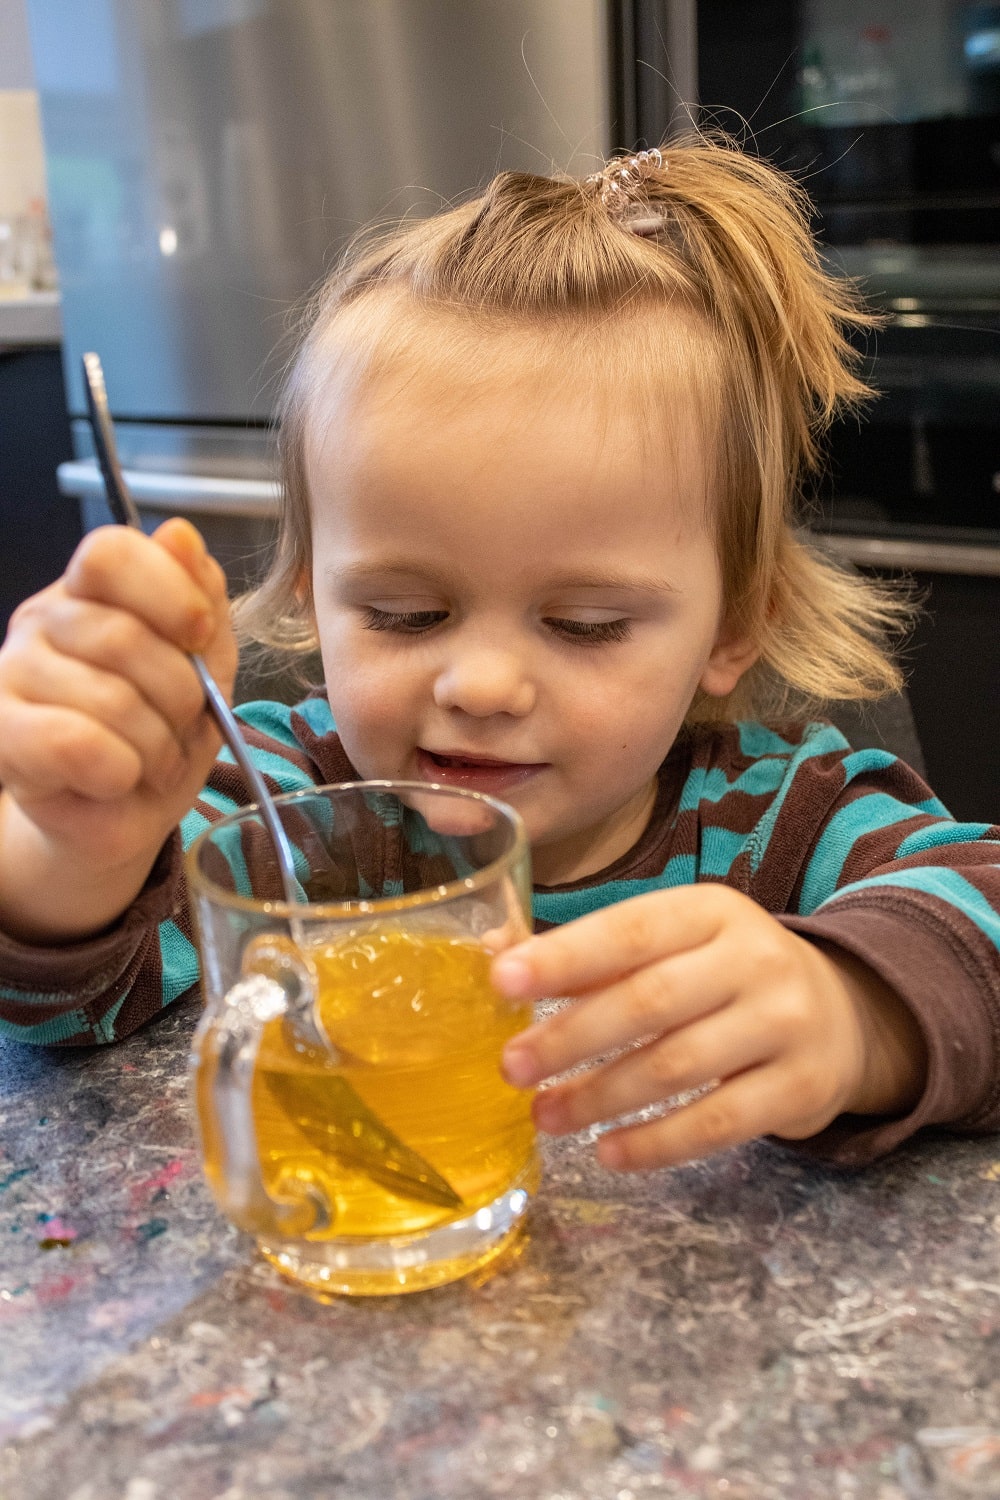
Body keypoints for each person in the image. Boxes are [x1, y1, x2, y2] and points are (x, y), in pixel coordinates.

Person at [0, 136, 997, 1174]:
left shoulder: (791, 817)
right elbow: (66, 1000)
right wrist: (79, 845)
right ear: (309, 590)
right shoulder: (283, 804)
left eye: (584, 626)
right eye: (402, 612)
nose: (479, 686)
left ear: (733, 624)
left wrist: (857, 1011)